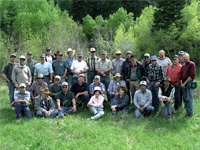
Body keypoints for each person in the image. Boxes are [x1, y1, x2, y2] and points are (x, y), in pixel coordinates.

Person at [180, 53, 196, 117]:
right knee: (185, 98)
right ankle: (187, 111)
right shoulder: (183, 66)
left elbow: (191, 75)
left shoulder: (192, 64)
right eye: (184, 57)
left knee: (189, 98)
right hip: (183, 83)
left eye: (186, 57)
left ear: (189, 57)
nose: (185, 58)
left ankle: (190, 113)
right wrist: (182, 84)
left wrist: (184, 83)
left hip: (189, 83)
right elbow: (181, 76)